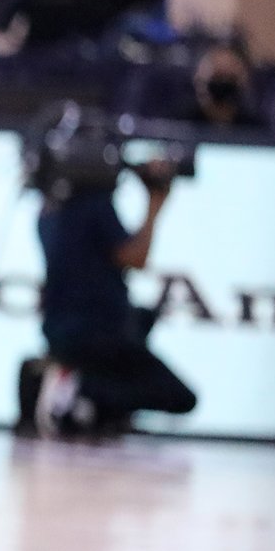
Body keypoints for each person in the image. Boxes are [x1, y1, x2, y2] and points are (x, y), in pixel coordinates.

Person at [31, 157, 197, 437]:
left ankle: (81, 397)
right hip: (99, 332)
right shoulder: (94, 205)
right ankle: (80, 387)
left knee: (144, 317)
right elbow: (135, 257)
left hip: (61, 330)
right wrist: (156, 203)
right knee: (181, 398)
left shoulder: (48, 209)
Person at [177, 41, 266, 131]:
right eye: (217, 76)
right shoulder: (178, 124)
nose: (223, 83)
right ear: (198, 79)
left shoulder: (255, 129)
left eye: (230, 78)